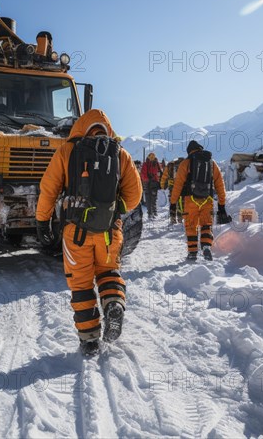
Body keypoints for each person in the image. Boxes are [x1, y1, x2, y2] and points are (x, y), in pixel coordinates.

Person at [35, 109, 142, 355]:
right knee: (108, 272)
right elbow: (135, 196)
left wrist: (43, 222)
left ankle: (90, 340)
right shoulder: (120, 154)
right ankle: (114, 302)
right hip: (109, 232)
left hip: (77, 233)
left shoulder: (67, 151)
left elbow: (48, 189)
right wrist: (117, 209)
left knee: (81, 284)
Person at [170, 140, 230, 261]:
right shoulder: (211, 163)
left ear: (189, 151)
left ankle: (192, 253)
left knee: (191, 225)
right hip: (207, 199)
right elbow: (220, 185)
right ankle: (206, 246)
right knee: (206, 224)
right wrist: (222, 204)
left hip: (190, 199)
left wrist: (173, 203)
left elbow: (178, 185)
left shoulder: (185, 163)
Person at [161, 157, 184, 223]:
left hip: (172, 187)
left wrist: (163, 186)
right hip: (182, 186)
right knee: (181, 202)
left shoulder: (170, 165)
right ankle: (180, 218)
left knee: (172, 202)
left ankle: (172, 218)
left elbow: (164, 177)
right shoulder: (185, 164)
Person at [140, 152, 161, 219]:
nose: (152, 157)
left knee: (153, 198)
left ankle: (154, 212)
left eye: (153, 156)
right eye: (151, 156)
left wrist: (158, 181)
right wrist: (148, 179)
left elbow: (160, 173)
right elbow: (143, 174)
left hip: (153, 183)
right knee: (149, 198)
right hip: (148, 183)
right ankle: (150, 213)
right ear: (148, 157)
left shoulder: (156, 164)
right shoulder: (146, 164)